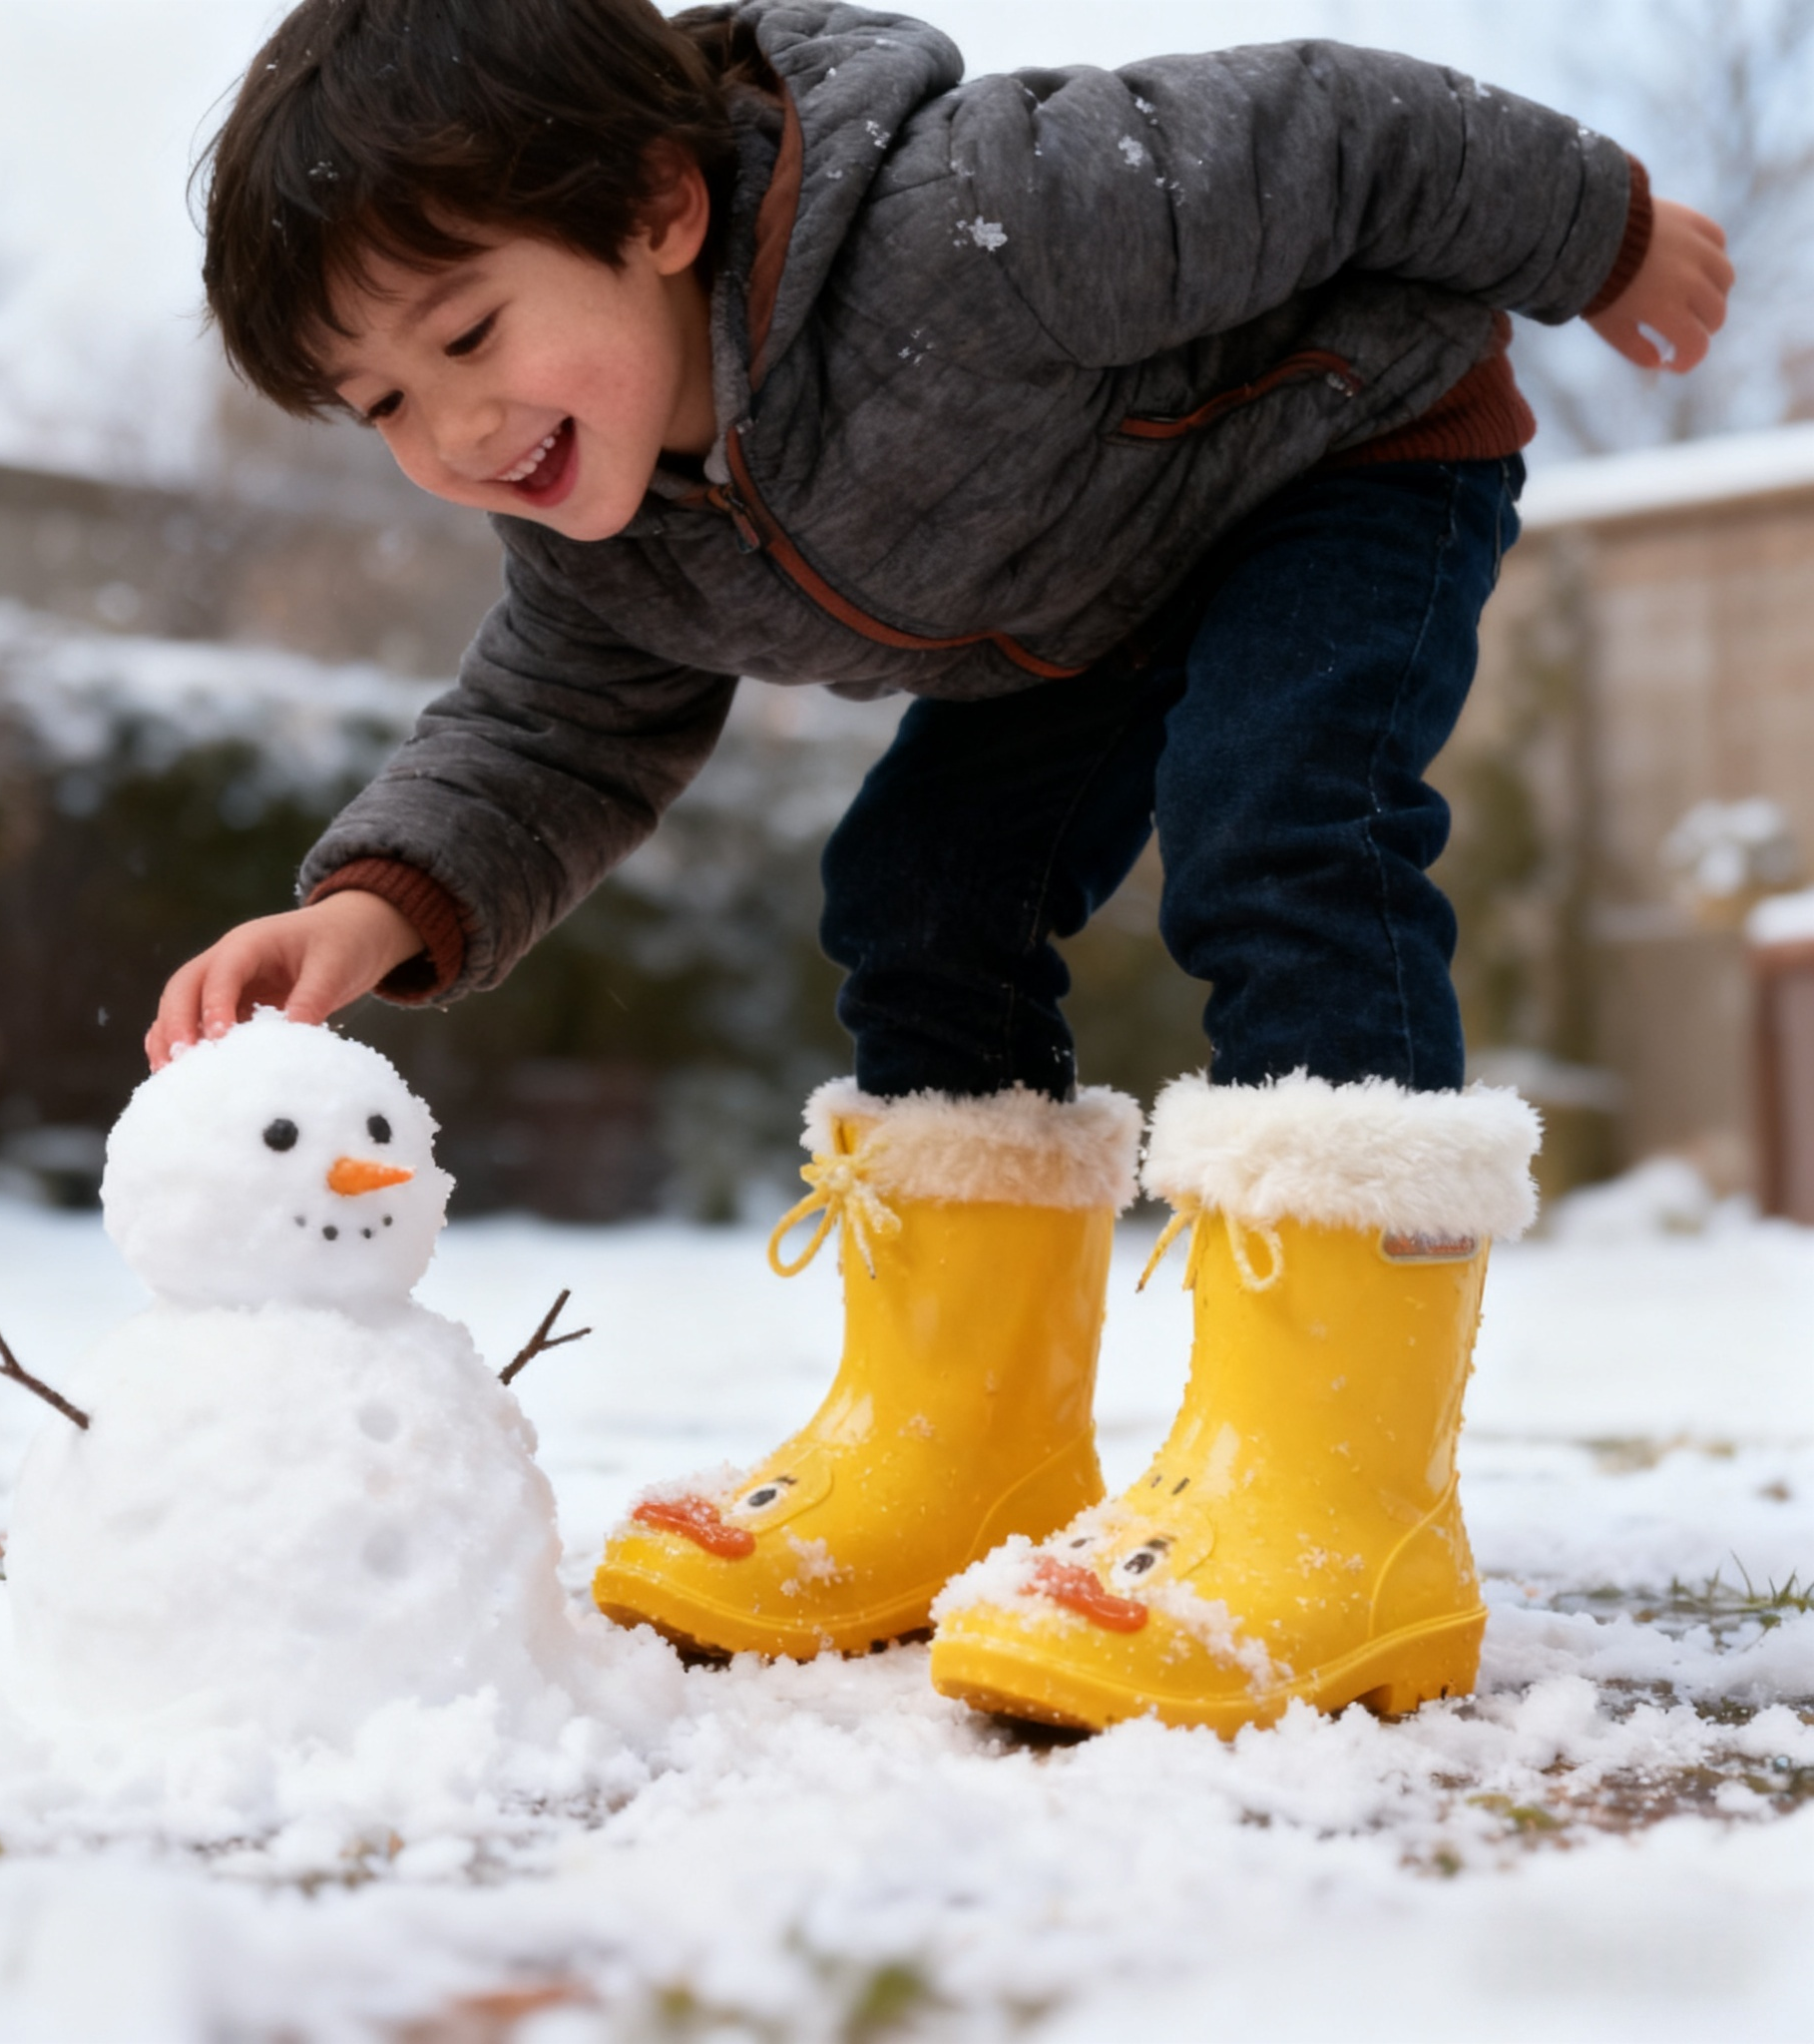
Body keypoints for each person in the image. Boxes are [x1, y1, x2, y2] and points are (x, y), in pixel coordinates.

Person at [151, 0, 1731, 1733]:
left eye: (468, 333)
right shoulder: (609, 540)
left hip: (1335, 463)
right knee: (918, 892)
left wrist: (1609, 233)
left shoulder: (980, 221)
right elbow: (547, 733)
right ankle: (962, 1443)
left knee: (1284, 826)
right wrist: (366, 906)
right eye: (384, 399)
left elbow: (1340, 124)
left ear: (659, 210)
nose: (453, 431)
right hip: (1092, 606)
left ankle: (1344, 1507)